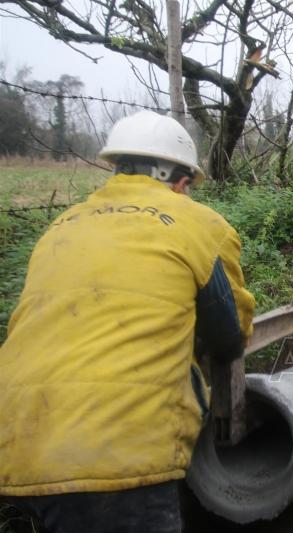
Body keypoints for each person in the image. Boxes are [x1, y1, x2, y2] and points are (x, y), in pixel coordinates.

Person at [0, 111, 255, 532]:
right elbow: (228, 337)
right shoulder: (199, 224)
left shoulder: (61, 226)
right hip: (119, 447)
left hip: (21, 443)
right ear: (182, 182)